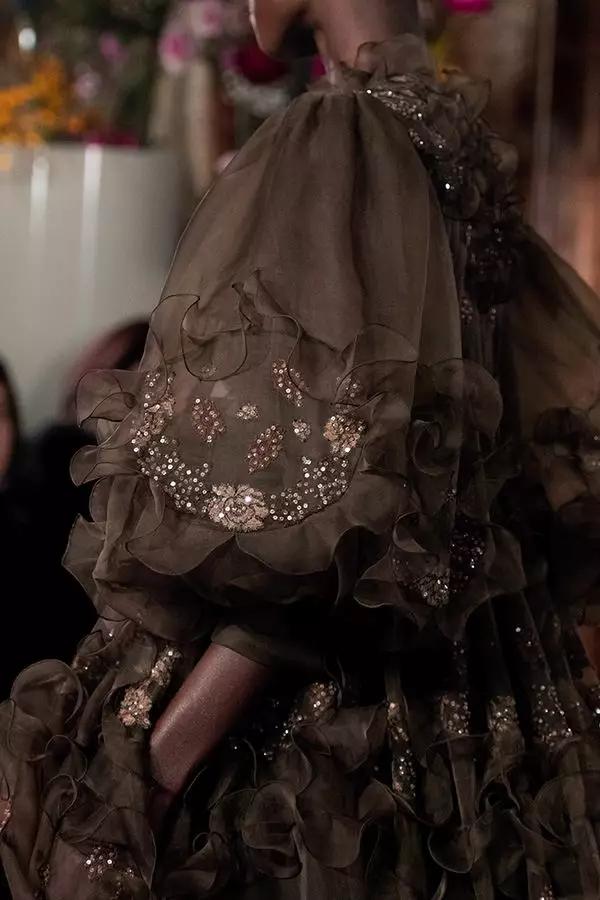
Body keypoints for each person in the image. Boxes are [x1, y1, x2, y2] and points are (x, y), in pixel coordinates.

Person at [2, 1, 600, 898]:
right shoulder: (459, 149)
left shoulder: (344, 137)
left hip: (312, 750)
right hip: (476, 740)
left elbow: (310, 537)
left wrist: (149, 783)